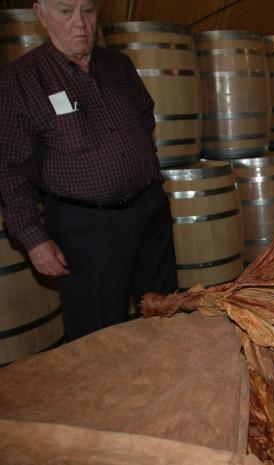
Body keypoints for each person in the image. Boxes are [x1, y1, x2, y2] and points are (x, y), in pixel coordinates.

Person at [0, 0, 178, 341]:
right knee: (99, 335)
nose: (80, 23)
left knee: (163, 315)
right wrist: (34, 239)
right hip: (87, 229)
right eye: (66, 12)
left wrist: (150, 178)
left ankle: (165, 388)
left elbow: (145, 120)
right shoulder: (21, 81)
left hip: (148, 212)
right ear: (41, 14)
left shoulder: (118, 66)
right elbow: (9, 170)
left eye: (89, 11)